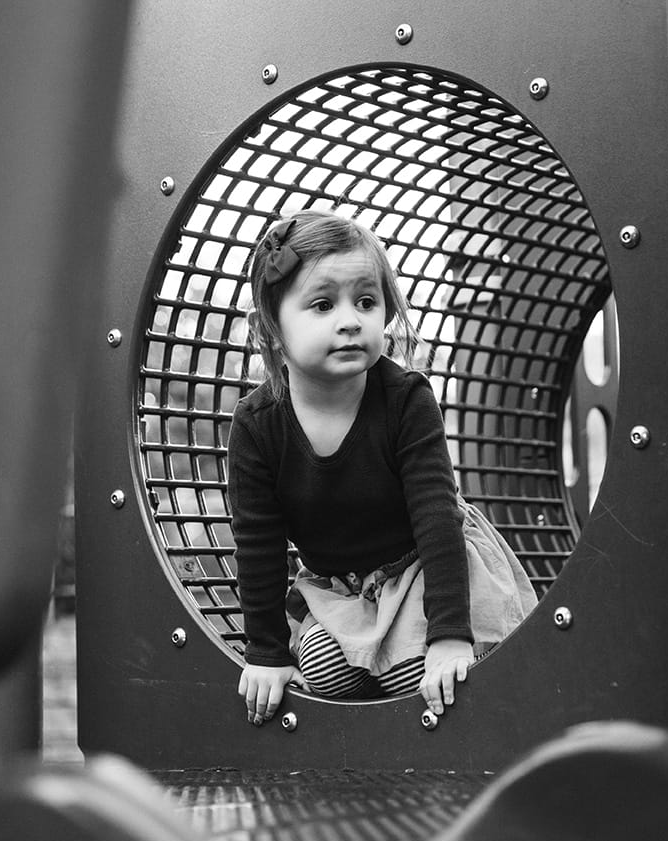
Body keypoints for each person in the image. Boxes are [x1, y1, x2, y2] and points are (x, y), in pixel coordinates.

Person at [229, 209, 538, 727]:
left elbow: (436, 517)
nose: (351, 320)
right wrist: (266, 651)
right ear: (271, 328)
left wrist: (450, 634)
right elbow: (257, 543)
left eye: (366, 302)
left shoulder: (405, 399)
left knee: (419, 677)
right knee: (325, 673)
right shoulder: (258, 425)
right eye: (323, 304)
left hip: (422, 569)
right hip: (340, 589)